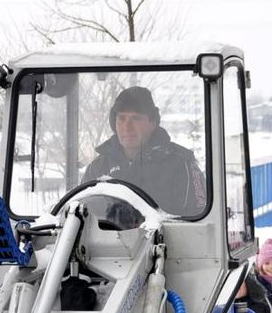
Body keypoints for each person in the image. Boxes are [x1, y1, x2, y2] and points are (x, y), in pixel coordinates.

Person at [83, 86, 206, 218]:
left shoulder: (182, 165)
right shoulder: (97, 168)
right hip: (106, 238)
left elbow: (199, 218)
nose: (127, 127)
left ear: (152, 123)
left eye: (135, 118)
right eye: (121, 119)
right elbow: (82, 214)